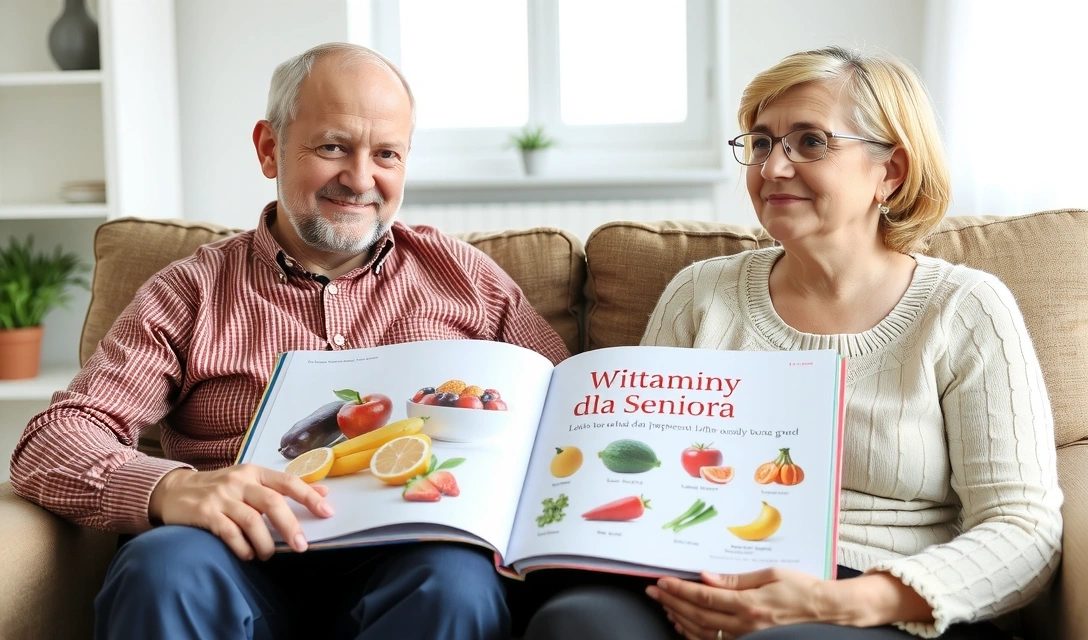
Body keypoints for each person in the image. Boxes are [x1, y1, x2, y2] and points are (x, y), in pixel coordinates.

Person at [9, 42, 569, 640]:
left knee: (457, 581)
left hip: (412, 558)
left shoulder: (468, 280)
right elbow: (53, 441)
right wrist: (172, 487)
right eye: (332, 147)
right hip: (234, 556)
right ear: (268, 148)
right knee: (162, 567)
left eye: (386, 154)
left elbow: (571, 414)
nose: (360, 179)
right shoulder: (190, 291)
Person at [524, 46, 1062, 640]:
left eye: (810, 142)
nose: (772, 169)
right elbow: (643, 473)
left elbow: (1023, 529)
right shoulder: (701, 294)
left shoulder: (965, 308)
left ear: (892, 171)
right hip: (699, 574)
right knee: (574, 622)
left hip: (878, 598)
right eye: (760, 143)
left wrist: (841, 600)